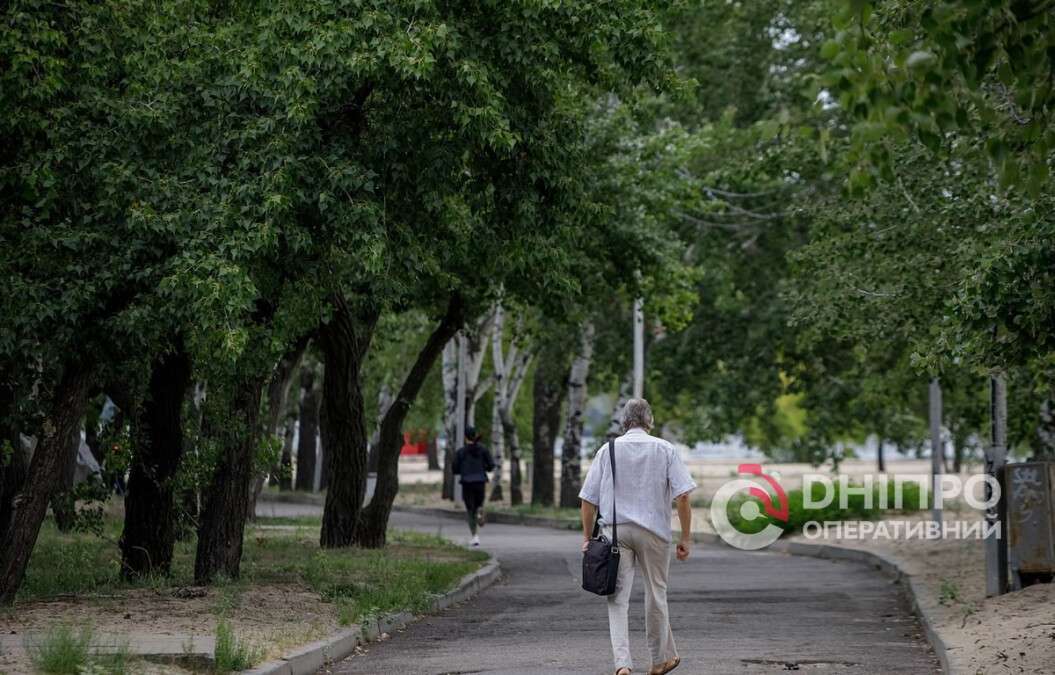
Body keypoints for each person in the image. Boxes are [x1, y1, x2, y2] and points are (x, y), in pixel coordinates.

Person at [579, 398, 696, 675]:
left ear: (624, 422)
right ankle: (658, 661)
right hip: (655, 534)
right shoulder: (665, 449)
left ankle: (622, 665)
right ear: (649, 421)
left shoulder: (606, 451)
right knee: (656, 595)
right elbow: (682, 496)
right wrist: (686, 538)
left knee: (617, 599)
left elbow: (587, 501)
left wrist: (587, 537)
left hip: (615, 534)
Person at [452, 426, 495, 547]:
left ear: (465, 437)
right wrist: (482, 468)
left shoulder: (461, 452)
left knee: (470, 510)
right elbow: (491, 465)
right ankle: (480, 510)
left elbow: (455, 469)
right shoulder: (483, 450)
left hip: (467, 482)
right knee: (478, 504)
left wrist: (463, 470)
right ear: (474, 435)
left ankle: (475, 537)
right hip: (480, 481)